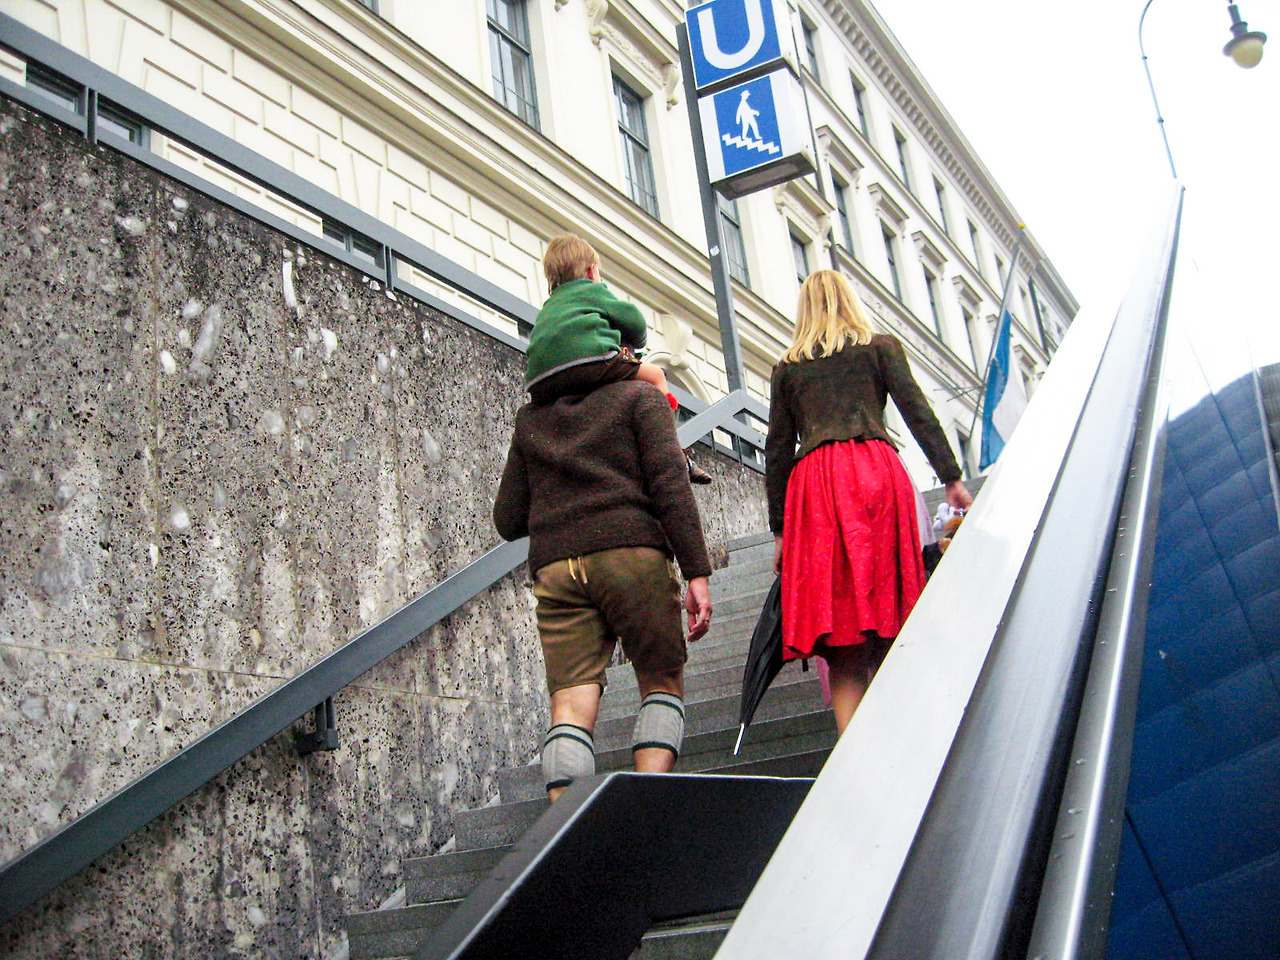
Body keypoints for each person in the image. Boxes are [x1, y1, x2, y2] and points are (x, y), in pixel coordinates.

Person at [764, 270, 972, 736]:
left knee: (842, 641)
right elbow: (918, 412)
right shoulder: (880, 348)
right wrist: (952, 478)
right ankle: (908, 738)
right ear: (850, 301)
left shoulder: (787, 368)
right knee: (890, 609)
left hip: (816, 487)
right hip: (875, 474)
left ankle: (853, 755)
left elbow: (777, 450)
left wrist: (780, 531)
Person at [493, 376, 714, 801]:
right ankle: (646, 802)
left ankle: (569, 826)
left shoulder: (531, 418)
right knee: (661, 680)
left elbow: (508, 519)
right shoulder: (641, 398)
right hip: (631, 555)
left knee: (570, 706)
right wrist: (697, 574)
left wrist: (561, 504)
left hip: (557, 568)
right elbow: (670, 488)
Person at [527, 234, 711, 483]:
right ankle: (673, 449)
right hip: (591, 362)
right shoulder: (593, 291)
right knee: (656, 375)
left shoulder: (549, 307)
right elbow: (635, 323)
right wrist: (636, 341)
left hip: (541, 380)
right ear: (592, 271)